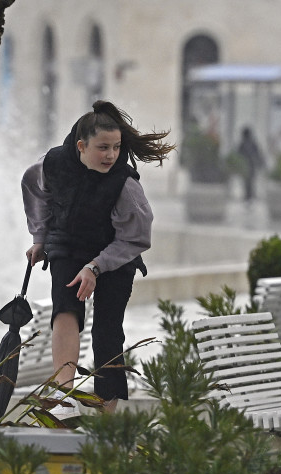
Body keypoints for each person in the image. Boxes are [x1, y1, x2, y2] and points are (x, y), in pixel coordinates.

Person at [23, 100, 174, 413]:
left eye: (117, 148)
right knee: (65, 311)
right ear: (81, 146)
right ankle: (62, 398)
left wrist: (96, 266)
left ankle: (108, 410)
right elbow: (33, 187)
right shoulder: (53, 163)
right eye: (103, 147)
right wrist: (39, 237)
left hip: (116, 256)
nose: (111, 155)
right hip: (67, 244)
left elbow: (136, 238)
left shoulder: (126, 186)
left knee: (107, 331)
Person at [236, 126, 265, 203]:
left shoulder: (242, 144)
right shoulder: (251, 144)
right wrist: (259, 163)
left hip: (246, 165)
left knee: (247, 181)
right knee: (250, 181)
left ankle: (248, 195)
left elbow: (238, 154)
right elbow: (257, 154)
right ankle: (249, 195)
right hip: (250, 165)